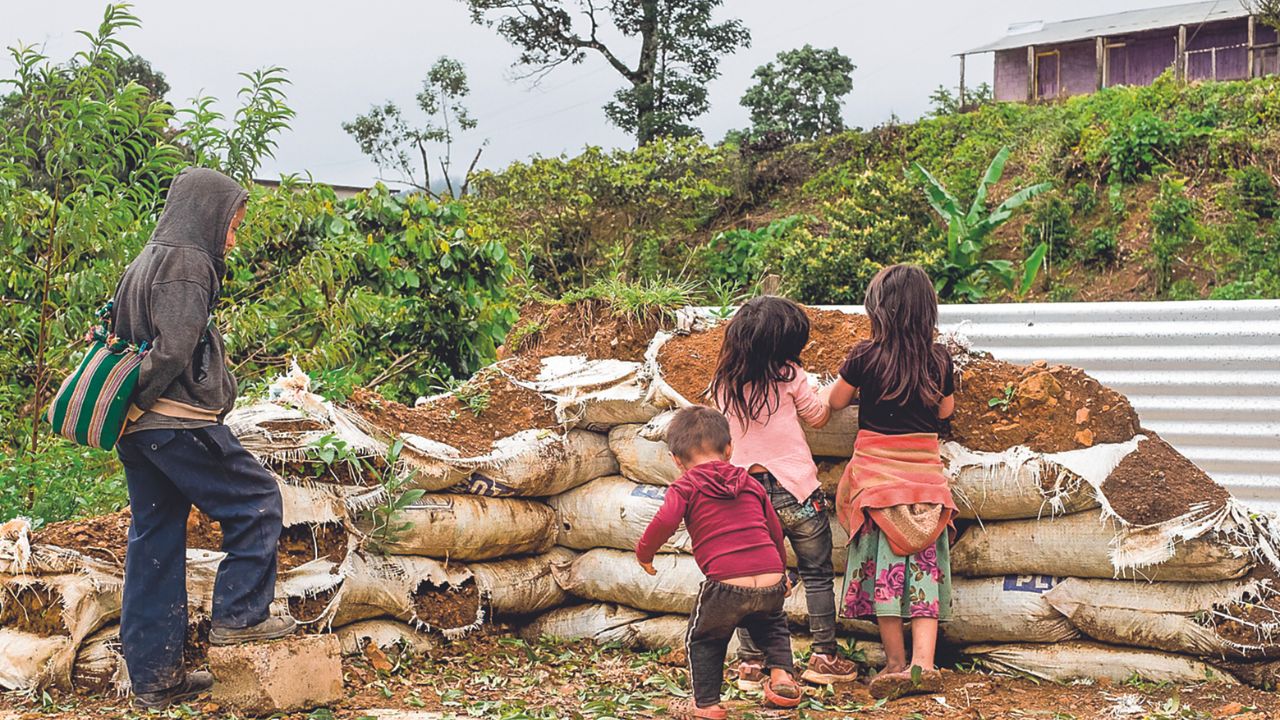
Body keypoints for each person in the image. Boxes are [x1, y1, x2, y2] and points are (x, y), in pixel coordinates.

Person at [112, 167, 296, 709]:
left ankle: (155, 679)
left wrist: (130, 409)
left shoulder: (145, 259)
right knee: (258, 503)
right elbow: (171, 353)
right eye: (232, 224)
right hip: (176, 422)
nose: (233, 239)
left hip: (139, 433)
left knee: (156, 541)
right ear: (208, 215)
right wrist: (145, 399)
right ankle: (240, 619)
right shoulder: (189, 263)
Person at [706, 296, 859, 687]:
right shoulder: (790, 374)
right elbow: (819, 417)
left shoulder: (723, 382)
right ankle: (824, 656)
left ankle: (751, 664)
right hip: (797, 492)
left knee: (748, 576)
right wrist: (827, 394)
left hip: (743, 495)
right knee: (818, 573)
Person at [822, 264, 959, 700]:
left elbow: (834, 400)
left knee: (885, 579)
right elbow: (945, 412)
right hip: (927, 492)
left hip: (878, 489)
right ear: (927, 312)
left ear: (878, 310)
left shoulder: (863, 356)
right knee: (923, 578)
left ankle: (895, 664)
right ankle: (924, 664)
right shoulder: (939, 360)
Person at [636, 406, 803, 719]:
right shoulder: (752, 484)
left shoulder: (684, 486)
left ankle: (707, 705)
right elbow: (774, 531)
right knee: (773, 625)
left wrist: (644, 553)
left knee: (704, 639)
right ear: (729, 449)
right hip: (769, 579)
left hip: (726, 584)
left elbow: (666, 520)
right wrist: (781, 577)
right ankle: (782, 677)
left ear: (675, 460)